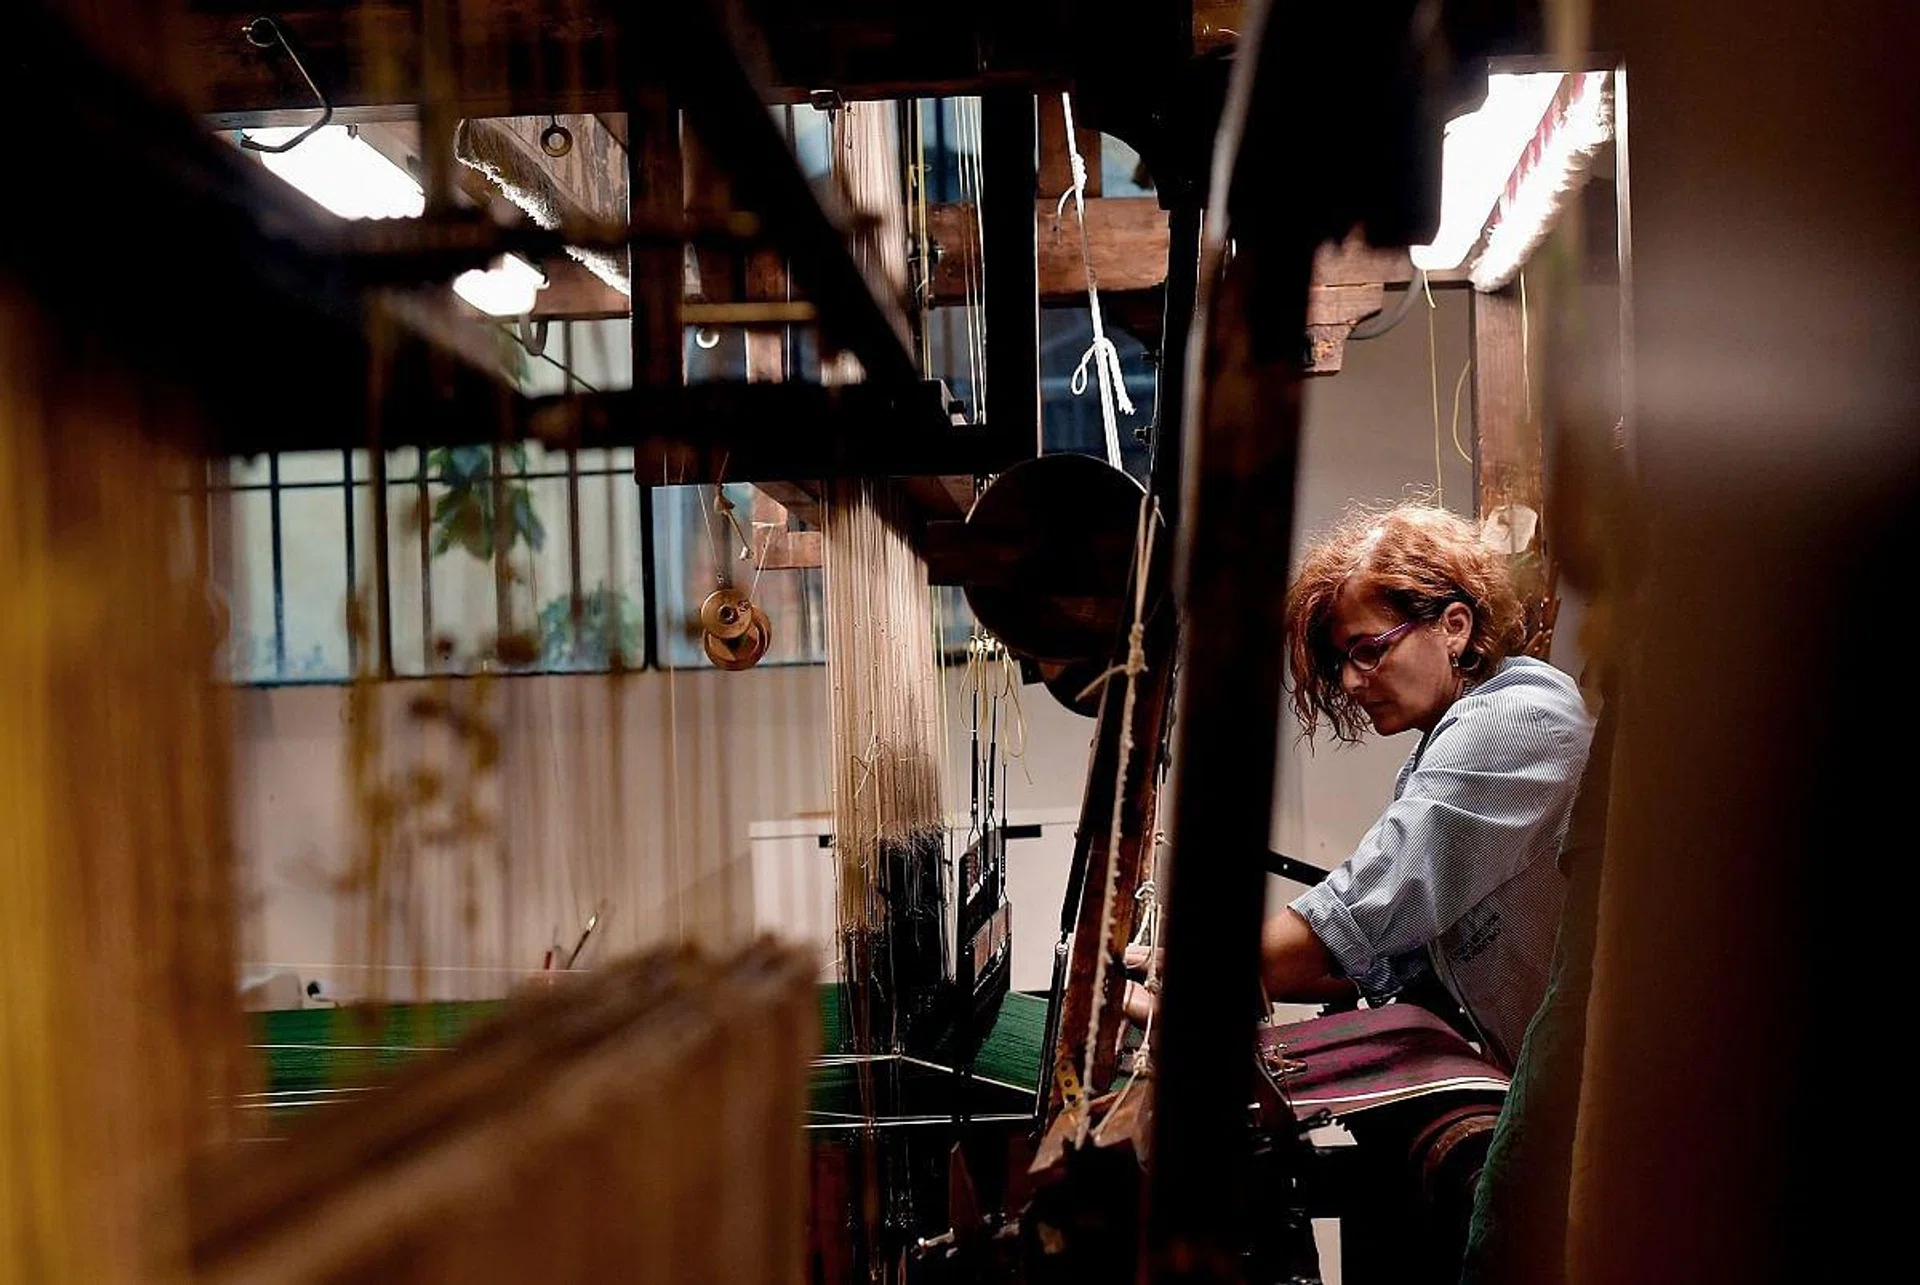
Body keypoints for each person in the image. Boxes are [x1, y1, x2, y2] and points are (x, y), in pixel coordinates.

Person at [1131, 502, 1594, 1071]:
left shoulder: (1512, 722)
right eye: (1343, 661)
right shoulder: (1446, 743)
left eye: (1369, 650)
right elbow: (1381, 951)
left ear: (1454, 626)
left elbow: (1355, 913)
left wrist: (1191, 981)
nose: (1351, 680)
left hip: (1610, 1094)